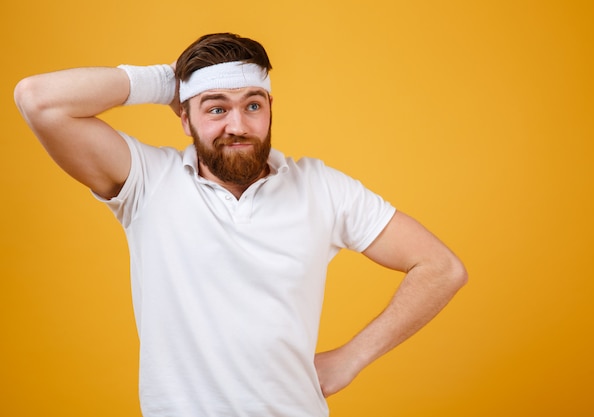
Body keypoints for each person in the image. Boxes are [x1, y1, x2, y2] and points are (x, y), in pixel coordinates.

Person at [14, 33, 467, 417]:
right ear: (184, 116)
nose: (238, 125)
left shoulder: (321, 187)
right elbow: (38, 100)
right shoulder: (147, 181)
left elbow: (440, 267)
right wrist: (164, 81)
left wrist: (352, 358)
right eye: (215, 108)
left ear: (270, 106)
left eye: (252, 105)